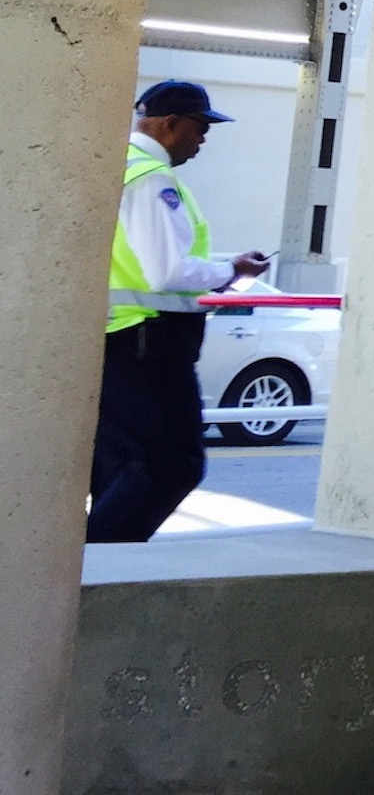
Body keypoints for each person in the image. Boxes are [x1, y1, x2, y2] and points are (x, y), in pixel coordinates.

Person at [89, 81, 271, 543]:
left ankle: (95, 571)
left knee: (120, 462)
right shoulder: (152, 178)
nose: (203, 139)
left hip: (115, 338)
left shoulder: (116, 168)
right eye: (200, 127)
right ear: (169, 125)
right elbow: (165, 271)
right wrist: (231, 269)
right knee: (174, 462)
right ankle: (101, 558)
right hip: (148, 343)